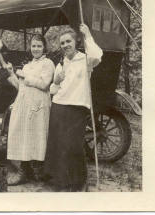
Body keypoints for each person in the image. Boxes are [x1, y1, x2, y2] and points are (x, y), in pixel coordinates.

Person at [43, 24, 103, 192]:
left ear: (76, 41)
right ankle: (61, 182)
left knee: (73, 146)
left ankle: (79, 183)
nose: (65, 45)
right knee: (58, 145)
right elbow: (53, 90)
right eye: (62, 43)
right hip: (59, 106)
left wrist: (88, 35)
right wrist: (56, 81)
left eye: (68, 41)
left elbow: (98, 55)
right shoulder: (61, 63)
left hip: (77, 107)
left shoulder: (85, 60)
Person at [6, 35, 55, 185]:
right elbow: (20, 87)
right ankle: (24, 171)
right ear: (30, 48)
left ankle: (38, 171)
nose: (36, 49)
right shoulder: (27, 66)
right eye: (33, 46)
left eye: (39, 46)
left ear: (44, 48)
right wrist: (11, 73)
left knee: (37, 136)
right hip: (24, 104)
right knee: (23, 136)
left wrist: (24, 76)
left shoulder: (48, 64)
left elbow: (44, 84)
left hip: (38, 105)